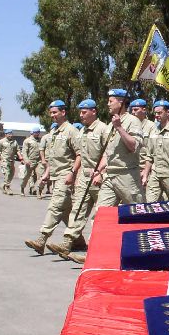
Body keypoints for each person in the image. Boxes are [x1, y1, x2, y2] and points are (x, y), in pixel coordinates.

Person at [25, 100, 83, 257]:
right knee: (66, 211)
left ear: (63, 112)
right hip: (56, 176)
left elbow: (80, 154)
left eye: (55, 112)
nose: (52, 115)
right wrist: (46, 174)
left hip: (67, 176)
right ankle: (79, 241)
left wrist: (72, 172)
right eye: (50, 113)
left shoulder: (71, 131)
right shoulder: (54, 133)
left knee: (55, 206)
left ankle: (41, 240)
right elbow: (53, 158)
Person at [62, 98, 105, 254]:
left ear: (94, 112)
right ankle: (67, 243)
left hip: (100, 178)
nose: (81, 115)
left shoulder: (103, 129)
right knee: (78, 210)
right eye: (80, 112)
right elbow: (80, 156)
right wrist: (75, 174)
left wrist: (100, 172)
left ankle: (95, 249)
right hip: (84, 177)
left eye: (84, 112)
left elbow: (108, 154)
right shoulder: (81, 131)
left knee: (99, 215)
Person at [96, 89, 145, 206]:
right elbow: (107, 153)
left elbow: (134, 147)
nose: (108, 104)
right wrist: (98, 170)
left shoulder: (132, 121)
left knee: (137, 213)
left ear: (121, 102)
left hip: (126, 175)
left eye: (110, 101)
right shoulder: (109, 125)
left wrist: (119, 128)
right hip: (109, 175)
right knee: (102, 212)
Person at [130, 98, 156, 179]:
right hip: (131, 167)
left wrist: (146, 170)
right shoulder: (129, 125)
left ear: (144, 110)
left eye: (136, 109)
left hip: (145, 167)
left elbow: (153, 150)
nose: (133, 112)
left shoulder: (151, 126)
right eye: (132, 110)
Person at [0, 129, 21, 195]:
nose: (10, 135)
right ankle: (8, 188)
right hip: (4, 161)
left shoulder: (14, 142)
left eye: (11, 134)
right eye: (9, 134)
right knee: (7, 174)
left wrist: (20, 156)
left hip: (12, 161)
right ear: (5, 134)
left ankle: (3, 185)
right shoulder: (1, 141)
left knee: (11, 175)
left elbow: (17, 150)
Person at [20, 127, 42, 195]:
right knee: (27, 176)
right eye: (36, 132)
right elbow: (24, 151)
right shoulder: (27, 141)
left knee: (39, 176)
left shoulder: (40, 141)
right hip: (30, 161)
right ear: (33, 133)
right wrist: (26, 160)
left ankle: (39, 192)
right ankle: (22, 188)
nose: (38, 134)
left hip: (39, 161)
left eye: (39, 132)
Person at [38, 122, 58, 197]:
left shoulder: (59, 137)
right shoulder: (46, 137)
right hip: (46, 161)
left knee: (53, 178)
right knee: (44, 178)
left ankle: (54, 193)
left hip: (55, 162)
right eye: (55, 128)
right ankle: (39, 191)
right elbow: (41, 149)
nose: (56, 129)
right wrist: (43, 159)